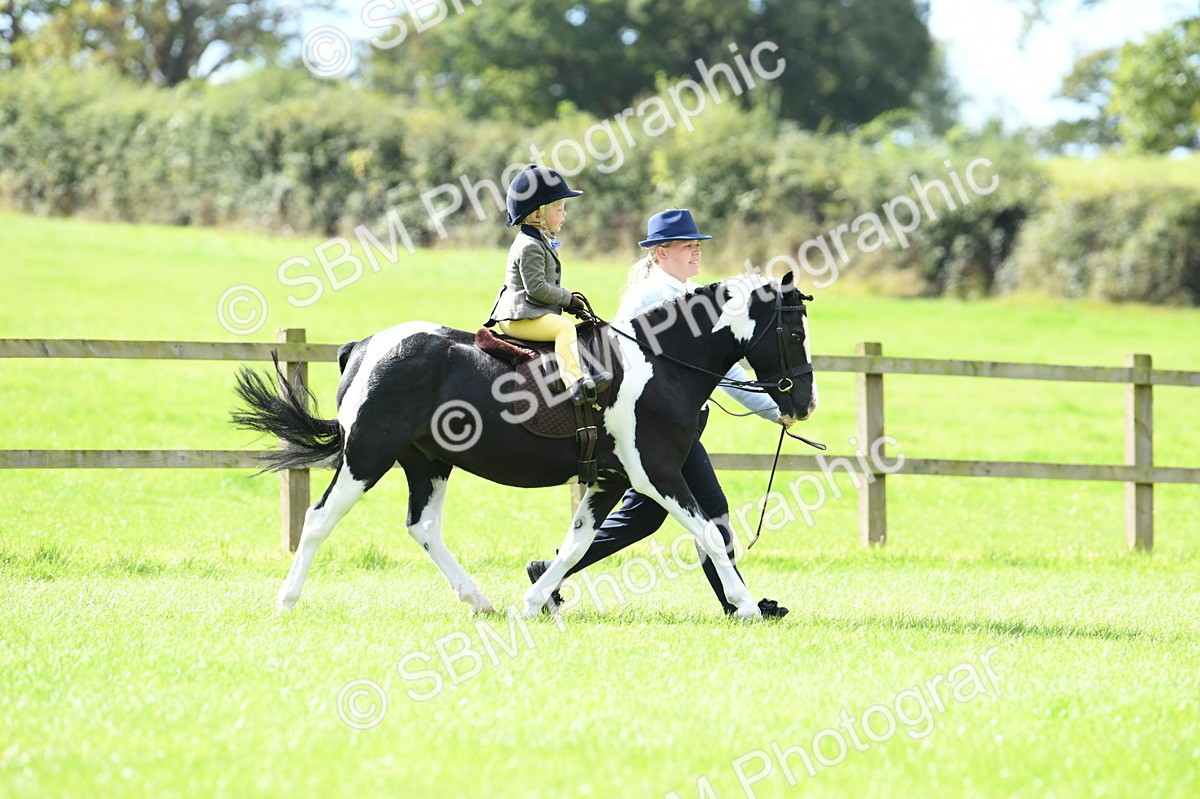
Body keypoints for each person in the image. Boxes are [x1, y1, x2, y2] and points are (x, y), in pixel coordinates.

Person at [527, 209, 792, 618]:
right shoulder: (647, 298)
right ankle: (738, 607)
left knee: (643, 518)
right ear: (661, 252)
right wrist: (769, 407)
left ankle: (550, 572)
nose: (696, 253)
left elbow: (721, 368)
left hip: (679, 427)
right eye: (688, 247)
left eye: (698, 246)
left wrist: (772, 408)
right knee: (710, 510)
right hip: (649, 428)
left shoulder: (697, 294)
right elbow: (619, 363)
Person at [486, 164, 611, 405]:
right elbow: (537, 288)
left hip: (530, 310)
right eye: (560, 209)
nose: (564, 214)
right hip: (518, 317)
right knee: (563, 328)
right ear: (537, 216)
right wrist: (567, 299)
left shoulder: (539, 240)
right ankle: (575, 382)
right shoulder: (530, 246)